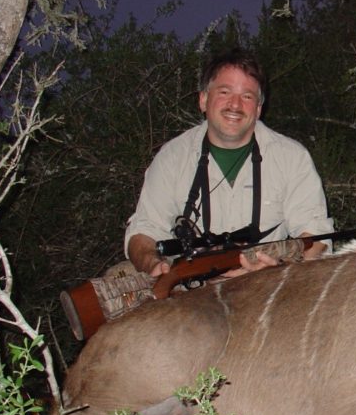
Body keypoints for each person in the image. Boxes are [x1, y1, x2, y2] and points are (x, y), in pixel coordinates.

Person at [125, 47, 333, 278]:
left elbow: (316, 238)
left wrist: (278, 268)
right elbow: (143, 233)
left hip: (267, 287)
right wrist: (155, 264)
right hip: (189, 289)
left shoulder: (292, 157)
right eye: (224, 92)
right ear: (203, 100)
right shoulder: (171, 157)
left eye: (247, 96)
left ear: (258, 109)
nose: (235, 105)